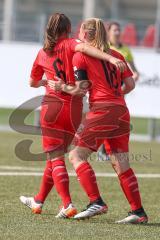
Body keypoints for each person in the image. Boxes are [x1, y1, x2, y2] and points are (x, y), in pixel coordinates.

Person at [19, 13, 126, 219]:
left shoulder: (43, 52)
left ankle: (67, 204)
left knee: (55, 157)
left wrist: (44, 82)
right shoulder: (71, 44)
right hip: (75, 108)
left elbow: (32, 82)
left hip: (53, 106)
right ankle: (39, 200)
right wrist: (111, 56)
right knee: (55, 157)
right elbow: (86, 48)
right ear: (68, 27)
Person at [57, 18, 148, 223]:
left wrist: (61, 87)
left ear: (87, 34)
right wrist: (116, 98)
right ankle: (138, 212)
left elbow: (80, 90)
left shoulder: (80, 56)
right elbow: (131, 84)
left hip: (103, 109)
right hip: (121, 109)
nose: (78, 34)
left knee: (76, 155)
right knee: (121, 163)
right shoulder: (116, 54)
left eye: (81, 30)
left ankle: (95, 201)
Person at [98, 21, 140, 161]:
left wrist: (134, 76)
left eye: (118, 30)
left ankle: (107, 151)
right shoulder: (104, 47)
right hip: (106, 90)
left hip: (120, 90)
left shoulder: (125, 49)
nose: (117, 32)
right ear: (108, 32)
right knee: (106, 120)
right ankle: (102, 151)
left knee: (115, 121)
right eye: (114, 30)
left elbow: (134, 71)